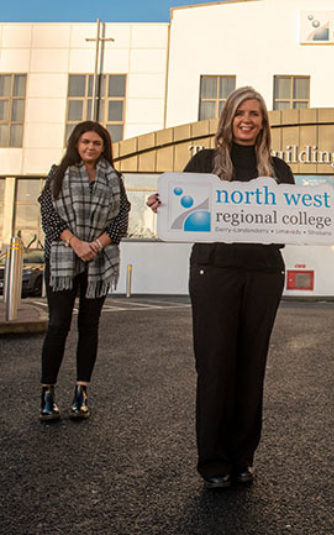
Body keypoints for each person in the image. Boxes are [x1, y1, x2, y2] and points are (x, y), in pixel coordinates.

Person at [147, 87, 295, 489]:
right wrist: (164, 204)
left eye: (255, 114)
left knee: (251, 366)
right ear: (228, 118)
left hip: (263, 274)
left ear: (263, 122)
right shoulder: (203, 163)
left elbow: (286, 229)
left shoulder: (278, 170)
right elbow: (179, 209)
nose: (247, 120)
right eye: (240, 113)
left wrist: (317, 218)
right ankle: (213, 462)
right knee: (214, 365)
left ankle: (242, 458)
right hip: (213, 271)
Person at [38, 121, 130, 421]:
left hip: (99, 260)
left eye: (97, 143)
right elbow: (48, 215)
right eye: (86, 142)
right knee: (58, 325)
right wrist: (76, 243)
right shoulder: (58, 173)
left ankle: (81, 392)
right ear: (76, 144)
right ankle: (48, 393)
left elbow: (121, 219)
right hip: (64, 257)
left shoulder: (113, 178)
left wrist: (96, 245)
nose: (91, 147)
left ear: (104, 147)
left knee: (89, 327)